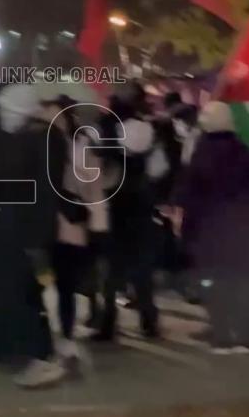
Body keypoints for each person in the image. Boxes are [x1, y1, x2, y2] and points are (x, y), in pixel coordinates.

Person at [0, 84, 66, 388]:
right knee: (10, 292)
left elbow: (44, 192)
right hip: (7, 227)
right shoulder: (16, 137)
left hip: (26, 231)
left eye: (4, 110)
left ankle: (40, 358)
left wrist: (35, 239)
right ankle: (13, 349)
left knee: (25, 294)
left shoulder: (45, 139)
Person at [172, 101, 249, 354]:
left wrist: (185, 226)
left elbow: (189, 193)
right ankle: (243, 336)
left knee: (215, 284)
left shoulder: (201, 154)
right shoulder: (246, 153)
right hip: (240, 231)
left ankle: (221, 335)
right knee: (241, 282)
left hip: (209, 231)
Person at [43, 96, 106, 368]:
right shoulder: (40, 147)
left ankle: (66, 334)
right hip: (43, 229)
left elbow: (95, 192)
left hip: (68, 229)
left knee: (66, 286)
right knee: (45, 284)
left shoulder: (81, 151)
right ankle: (52, 333)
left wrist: (99, 227)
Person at [94, 83, 161, 342]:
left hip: (114, 202)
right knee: (141, 269)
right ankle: (149, 321)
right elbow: (156, 168)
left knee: (111, 269)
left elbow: (99, 161)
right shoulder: (147, 128)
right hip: (141, 203)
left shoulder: (109, 127)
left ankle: (108, 323)